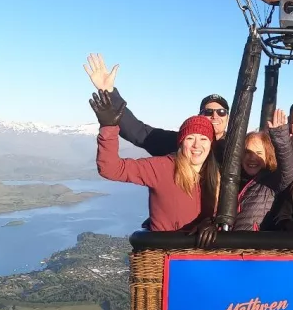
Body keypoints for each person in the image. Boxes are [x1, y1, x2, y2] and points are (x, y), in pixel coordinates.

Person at [91, 90, 218, 244]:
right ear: (180, 143)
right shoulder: (162, 168)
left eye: (203, 139)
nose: (197, 145)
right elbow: (111, 169)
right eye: (190, 138)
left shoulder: (218, 175)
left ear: (211, 144)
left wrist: (214, 223)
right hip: (165, 256)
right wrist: (108, 127)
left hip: (201, 257)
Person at [82, 53, 229, 158]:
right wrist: (109, 92)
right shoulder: (180, 143)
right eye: (209, 111)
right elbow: (137, 131)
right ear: (199, 116)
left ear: (228, 117)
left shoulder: (237, 148)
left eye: (221, 112)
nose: (215, 115)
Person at [233, 109, 293, 231]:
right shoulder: (233, 179)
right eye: (247, 152)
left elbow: (288, 171)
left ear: (268, 156)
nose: (252, 158)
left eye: (258, 153)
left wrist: (279, 135)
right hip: (227, 245)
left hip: (253, 246)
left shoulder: (270, 182)